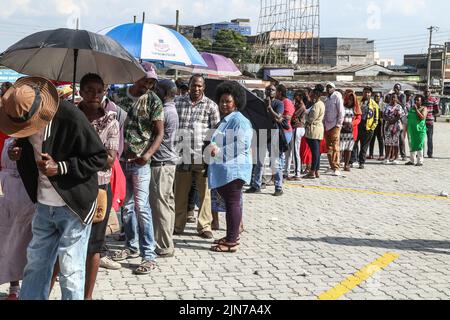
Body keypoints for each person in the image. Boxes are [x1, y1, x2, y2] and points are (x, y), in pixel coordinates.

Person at [1, 76, 107, 300]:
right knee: (35, 267)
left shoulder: (70, 116)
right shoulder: (22, 122)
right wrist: (18, 154)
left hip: (73, 206)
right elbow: (28, 148)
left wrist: (61, 167)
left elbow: (99, 157)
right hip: (43, 205)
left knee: (70, 271)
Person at [111, 62, 164, 275]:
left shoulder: (154, 101)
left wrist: (147, 155)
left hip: (141, 162)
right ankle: (130, 246)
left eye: (152, 81)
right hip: (121, 160)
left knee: (142, 208)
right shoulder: (119, 96)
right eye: (145, 79)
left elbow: (159, 133)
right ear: (136, 77)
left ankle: (148, 255)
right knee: (126, 206)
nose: (148, 85)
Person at [77, 73, 119, 299]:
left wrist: (78, 157)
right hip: (71, 188)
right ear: (81, 92)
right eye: (89, 90)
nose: (94, 95)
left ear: (104, 93)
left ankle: (87, 296)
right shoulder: (71, 115)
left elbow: (110, 159)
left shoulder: (111, 122)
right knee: (68, 242)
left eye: (99, 91)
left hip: (99, 189)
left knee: (94, 245)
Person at [207, 81, 253, 253]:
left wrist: (218, 151)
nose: (224, 104)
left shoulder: (240, 121)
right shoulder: (226, 120)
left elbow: (242, 144)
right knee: (230, 203)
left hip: (234, 170)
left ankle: (232, 242)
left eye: (228, 101)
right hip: (226, 170)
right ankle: (231, 235)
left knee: (233, 204)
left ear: (236, 102)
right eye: (222, 101)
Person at [174, 74, 220, 239]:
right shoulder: (177, 102)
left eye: (200, 86)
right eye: (194, 85)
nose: (196, 88)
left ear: (204, 87)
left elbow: (215, 131)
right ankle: (178, 225)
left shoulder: (211, 106)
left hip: (203, 156)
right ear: (190, 85)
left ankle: (204, 226)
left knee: (204, 194)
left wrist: (213, 148)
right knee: (180, 192)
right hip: (181, 154)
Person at [0, 138, 36, 300]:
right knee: (5, 239)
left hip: (26, 193)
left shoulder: (35, 138)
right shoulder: (9, 139)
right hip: (5, 191)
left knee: (23, 241)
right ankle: (14, 285)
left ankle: (20, 286)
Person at [152, 79, 179, 258]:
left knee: (160, 206)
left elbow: (155, 135)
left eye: (156, 89)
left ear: (163, 92)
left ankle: (163, 245)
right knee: (167, 204)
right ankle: (167, 241)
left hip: (161, 163)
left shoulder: (164, 112)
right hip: (168, 162)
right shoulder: (172, 109)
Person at [246, 85, 285, 196]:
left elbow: (278, 118)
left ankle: (278, 187)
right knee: (259, 162)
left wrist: (269, 108)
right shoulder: (260, 103)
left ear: (276, 92)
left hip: (273, 134)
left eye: (272, 90)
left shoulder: (278, 103)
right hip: (261, 134)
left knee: (275, 162)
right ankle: (256, 185)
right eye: (268, 89)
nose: (270, 91)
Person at [351, 87, 379, 169]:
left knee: (364, 146)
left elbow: (376, 118)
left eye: (368, 92)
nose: (366, 94)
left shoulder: (374, 105)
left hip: (367, 127)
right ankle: (351, 161)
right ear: (362, 93)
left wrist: (372, 128)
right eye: (365, 92)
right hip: (357, 125)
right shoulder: (358, 101)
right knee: (354, 144)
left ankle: (361, 162)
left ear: (371, 94)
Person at [304, 84, 325, 179]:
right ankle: (316, 171)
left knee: (315, 152)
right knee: (316, 152)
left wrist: (305, 116)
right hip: (317, 129)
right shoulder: (321, 104)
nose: (311, 96)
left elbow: (311, 118)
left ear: (316, 95)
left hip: (314, 130)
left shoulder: (317, 105)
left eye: (312, 94)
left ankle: (312, 171)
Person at [286, 89, 308, 180]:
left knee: (295, 151)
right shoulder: (297, 105)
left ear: (300, 97)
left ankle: (297, 173)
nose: (294, 97)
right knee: (289, 151)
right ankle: (286, 171)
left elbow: (293, 115)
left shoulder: (301, 106)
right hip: (295, 128)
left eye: (296, 96)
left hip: (298, 128)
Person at [324, 82, 345, 176]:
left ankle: (336, 167)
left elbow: (341, 112)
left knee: (335, 147)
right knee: (328, 148)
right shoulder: (326, 99)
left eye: (330, 87)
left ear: (334, 88)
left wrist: (338, 125)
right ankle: (332, 166)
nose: (328, 89)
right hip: (327, 126)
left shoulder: (337, 97)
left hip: (335, 126)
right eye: (327, 87)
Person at [276, 84, 295, 180]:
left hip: (285, 131)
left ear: (279, 92)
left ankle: (279, 176)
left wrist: (278, 115)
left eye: (275, 91)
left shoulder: (286, 102)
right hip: (284, 131)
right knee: (281, 154)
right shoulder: (283, 101)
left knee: (280, 154)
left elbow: (288, 116)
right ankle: (280, 174)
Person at [341, 90, 362, 172]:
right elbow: (339, 116)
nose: (350, 101)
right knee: (340, 148)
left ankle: (347, 164)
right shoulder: (342, 107)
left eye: (352, 99)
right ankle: (337, 164)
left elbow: (358, 119)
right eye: (349, 99)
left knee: (348, 149)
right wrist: (343, 123)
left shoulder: (356, 108)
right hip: (342, 130)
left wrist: (351, 123)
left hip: (351, 131)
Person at [406, 96, 428, 167]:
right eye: (415, 100)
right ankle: (412, 160)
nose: (416, 101)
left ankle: (420, 161)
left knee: (419, 144)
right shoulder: (412, 108)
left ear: (421, 101)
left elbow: (422, 117)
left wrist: (416, 110)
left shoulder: (424, 108)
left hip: (420, 130)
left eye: (417, 100)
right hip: (412, 130)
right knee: (412, 144)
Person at [383, 94, 405, 165]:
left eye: (394, 98)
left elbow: (400, 116)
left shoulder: (399, 106)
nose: (393, 99)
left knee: (395, 142)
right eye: (392, 98)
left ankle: (395, 158)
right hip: (387, 126)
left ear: (397, 99)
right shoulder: (386, 106)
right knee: (387, 142)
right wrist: (389, 121)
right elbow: (383, 115)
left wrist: (392, 122)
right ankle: (387, 158)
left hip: (396, 126)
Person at [422, 87, 440, 158]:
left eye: (428, 92)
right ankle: (421, 153)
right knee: (421, 138)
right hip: (422, 121)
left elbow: (437, 111)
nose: (427, 93)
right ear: (423, 92)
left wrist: (432, 115)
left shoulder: (433, 100)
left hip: (430, 122)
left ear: (430, 92)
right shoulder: (421, 99)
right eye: (425, 91)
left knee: (429, 138)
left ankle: (430, 153)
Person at [369, 92, 385, 161]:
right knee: (371, 139)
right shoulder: (371, 104)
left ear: (380, 97)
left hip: (380, 124)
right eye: (375, 96)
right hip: (372, 123)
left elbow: (383, 115)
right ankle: (371, 154)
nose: (377, 98)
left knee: (380, 139)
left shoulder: (383, 105)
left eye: (378, 96)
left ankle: (381, 154)